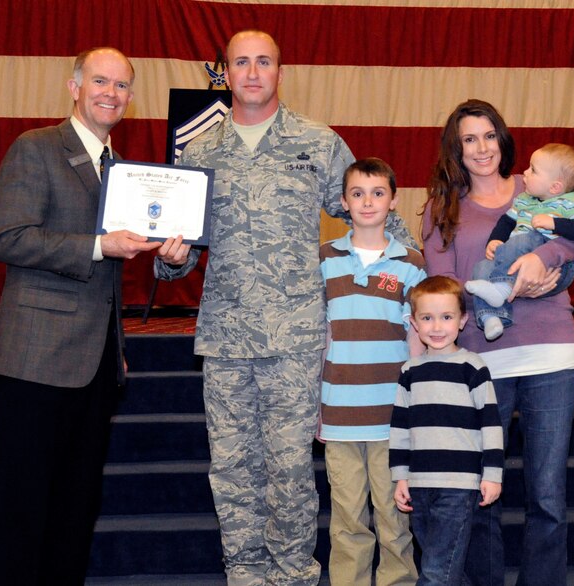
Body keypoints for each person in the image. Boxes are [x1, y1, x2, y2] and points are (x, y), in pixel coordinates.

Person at [153, 30, 412, 585]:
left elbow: (372, 212)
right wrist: (171, 258)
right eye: (241, 62)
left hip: (296, 338)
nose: (252, 72)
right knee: (232, 468)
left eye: (263, 62)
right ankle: (244, 573)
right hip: (225, 337)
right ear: (225, 72)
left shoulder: (317, 144)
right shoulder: (200, 152)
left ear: (280, 70)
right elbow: (179, 254)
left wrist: (407, 278)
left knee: (290, 468)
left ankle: (293, 574)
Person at [0, 47, 165, 583]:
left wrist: (168, 251)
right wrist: (98, 245)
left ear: (131, 97)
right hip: (34, 360)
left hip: (97, 363)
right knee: (22, 509)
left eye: (122, 85)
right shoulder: (35, 148)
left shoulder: (122, 168)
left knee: (74, 508)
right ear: (74, 87)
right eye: (100, 82)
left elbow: (120, 261)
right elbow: (7, 237)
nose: (111, 93)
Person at [421, 99, 574, 586]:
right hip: (481, 361)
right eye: (469, 139)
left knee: (547, 493)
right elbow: (440, 285)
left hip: (551, 354)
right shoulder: (442, 208)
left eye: (488, 135)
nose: (481, 148)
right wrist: (497, 288)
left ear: (502, 140)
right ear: (456, 149)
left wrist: (543, 261)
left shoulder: (537, 186)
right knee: (482, 492)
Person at [318, 158, 424, 585]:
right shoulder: (324, 259)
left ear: (393, 201)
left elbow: (417, 335)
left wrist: (416, 403)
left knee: (394, 518)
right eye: (357, 194)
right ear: (344, 202)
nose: (368, 202)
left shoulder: (410, 262)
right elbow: (319, 335)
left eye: (378, 193)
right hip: (339, 413)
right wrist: (315, 409)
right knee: (346, 522)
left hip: (390, 417)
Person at [389, 275, 503, 586]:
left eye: (446, 317)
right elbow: (400, 428)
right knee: (444, 565)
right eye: (427, 318)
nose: (436, 327)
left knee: (436, 574)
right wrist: (400, 476)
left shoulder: (473, 367)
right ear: (414, 323)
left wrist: (492, 475)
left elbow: (491, 426)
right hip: (419, 484)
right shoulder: (409, 371)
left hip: (459, 485)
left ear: (463, 321)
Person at [465, 143, 574, 340]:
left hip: (557, 269)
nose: (525, 172)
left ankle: (502, 289)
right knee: (482, 268)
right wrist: (495, 240)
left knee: (526, 237)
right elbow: (506, 221)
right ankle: (491, 318)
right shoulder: (524, 199)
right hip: (515, 259)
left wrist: (554, 223)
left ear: (555, 186)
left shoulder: (570, 202)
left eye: (533, 170)